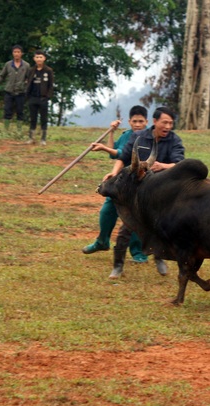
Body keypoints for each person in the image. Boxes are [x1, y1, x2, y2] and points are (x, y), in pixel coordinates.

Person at [104, 106, 185, 279]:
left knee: (159, 227)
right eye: (165, 122)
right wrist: (114, 172)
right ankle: (117, 266)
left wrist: (163, 166)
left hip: (161, 192)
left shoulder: (174, 140)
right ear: (155, 122)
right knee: (127, 227)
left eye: (171, 123)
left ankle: (159, 257)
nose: (168, 126)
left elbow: (180, 164)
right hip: (137, 192)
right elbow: (123, 157)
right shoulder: (138, 137)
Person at [82, 105, 149, 264]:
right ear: (130, 121)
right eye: (135, 121)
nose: (138, 124)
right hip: (120, 182)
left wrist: (104, 149)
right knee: (107, 211)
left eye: (141, 121)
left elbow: (119, 154)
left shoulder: (148, 139)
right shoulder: (126, 135)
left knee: (134, 218)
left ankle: (138, 252)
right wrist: (111, 132)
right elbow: (116, 152)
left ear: (146, 122)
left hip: (139, 184)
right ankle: (102, 241)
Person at [0, 45, 31, 133]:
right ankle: (6, 130)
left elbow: (29, 77)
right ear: (12, 53)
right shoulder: (8, 64)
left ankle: (19, 130)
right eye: (15, 52)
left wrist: (27, 84)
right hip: (9, 91)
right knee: (7, 110)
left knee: (20, 111)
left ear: (21, 54)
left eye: (18, 52)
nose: (16, 54)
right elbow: (2, 75)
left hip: (20, 92)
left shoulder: (26, 65)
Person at [25, 50, 54, 146]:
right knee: (33, 118)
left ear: (44, 58)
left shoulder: (48, 70)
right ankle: (31, 138)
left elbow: (51, 85)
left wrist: (47, 97)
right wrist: (27, 95)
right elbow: (28, 82)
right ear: (34, 59)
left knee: (43, 119)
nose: (39, 59)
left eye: (41, 57)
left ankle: (43, 139)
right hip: (32, 97)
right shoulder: (31, 70)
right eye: (37, 57)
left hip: (43, 98)